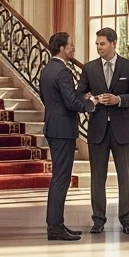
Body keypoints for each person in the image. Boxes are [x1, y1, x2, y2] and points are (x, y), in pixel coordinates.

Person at [76, 27, 129, 234]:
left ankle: (127, 220)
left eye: (102, 44)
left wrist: (119, 100)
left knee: (126, 177)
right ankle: (98, 219)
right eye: (97, 44)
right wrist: (92, 99)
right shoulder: (89, 68)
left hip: (122, 130)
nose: (99, 47)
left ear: (114, 43)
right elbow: (79, 95)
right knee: (97, 178)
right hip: (97, 130)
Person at [39, 32, 95, 241]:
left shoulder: (46, 70)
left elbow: (48, 98)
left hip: (53, 126)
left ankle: (57, 224)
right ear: (62, 48)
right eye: (71, 45)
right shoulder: (62, 71)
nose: (73, 48)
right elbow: (71, 103)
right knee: (61, 179)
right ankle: (55, 227)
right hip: (62, 130)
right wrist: (91, 104)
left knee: (59, 177)